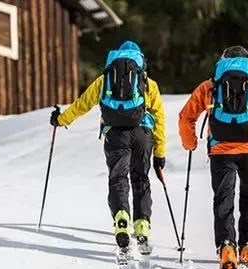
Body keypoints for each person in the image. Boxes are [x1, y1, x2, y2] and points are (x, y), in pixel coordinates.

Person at [50, 41, 166, 254]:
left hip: (115, 134)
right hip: (142, 134)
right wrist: (159, 152)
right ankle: (142, 225)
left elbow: (82, 105)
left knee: (118, 178)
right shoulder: (148, 83)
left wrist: (61, 120)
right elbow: (159, 118)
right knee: (140, 178)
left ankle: (121, 218)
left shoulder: (105, 80)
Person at [178, 46, 248, 269]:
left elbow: (186, 117)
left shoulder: (210, 86)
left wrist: (190, 142)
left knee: (223, 199)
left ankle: (226, 248)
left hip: (220, 151)